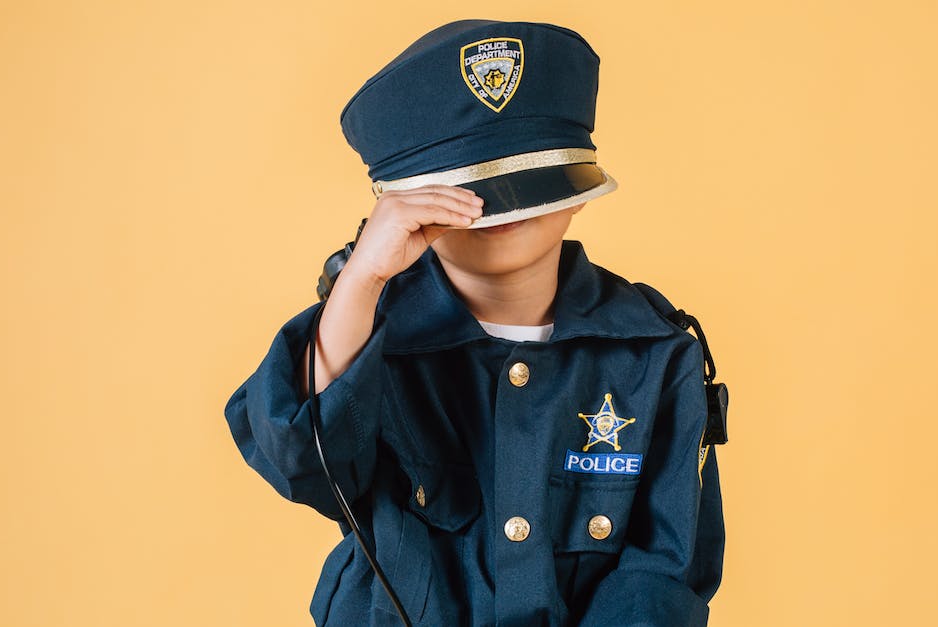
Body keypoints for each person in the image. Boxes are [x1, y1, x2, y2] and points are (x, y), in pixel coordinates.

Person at [224, 19, 726, 626]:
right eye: (462, 193)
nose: (500, 209)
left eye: (527, 178)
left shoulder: (655, 352)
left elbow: (665, 569)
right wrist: (359, 281)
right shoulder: (366, 338)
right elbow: (303, 464)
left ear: (575, 185)